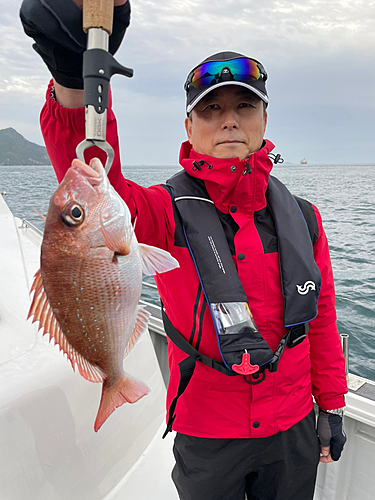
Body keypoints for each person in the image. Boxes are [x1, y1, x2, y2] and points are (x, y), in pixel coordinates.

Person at [20, 1, 348, 499]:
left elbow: (320, 318)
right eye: (211, 110)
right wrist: (72, 79)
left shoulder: (304, 217)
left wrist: (332, 405)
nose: (229, 122)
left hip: (295, 424)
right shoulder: (160, 212)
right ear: (189, 129)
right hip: (208, 431)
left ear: (263, 120)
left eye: (244, 106)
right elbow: (90, 177)